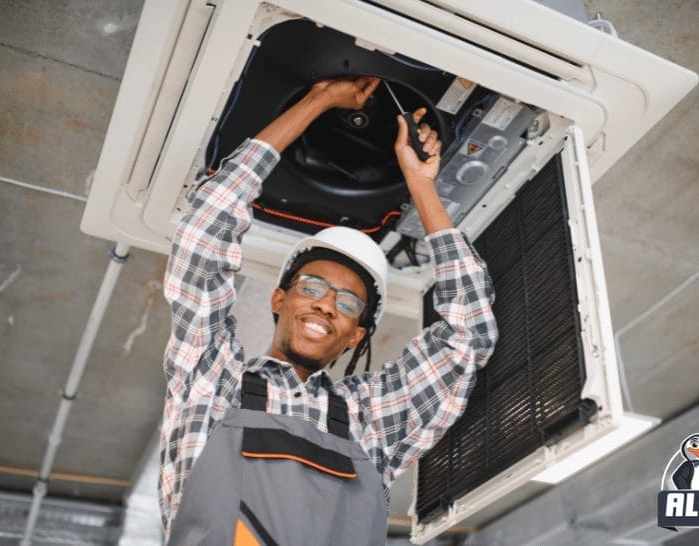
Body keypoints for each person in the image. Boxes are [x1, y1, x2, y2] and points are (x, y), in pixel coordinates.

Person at [160, 76, 498, 545]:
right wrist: (316, 102)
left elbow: (469, 335)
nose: (325, 302)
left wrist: (423, 188)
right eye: (312, 286)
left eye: (347, 303)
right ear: (280, 300)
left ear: (356, 335)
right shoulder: (212, 380)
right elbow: (202, 233)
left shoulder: (370, 421)